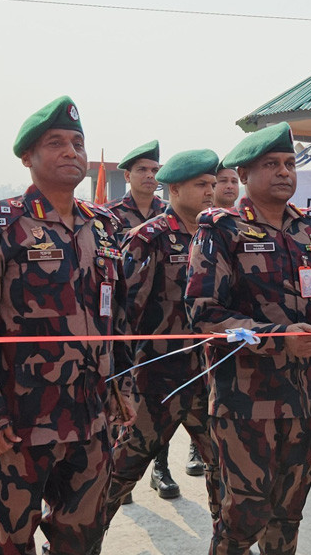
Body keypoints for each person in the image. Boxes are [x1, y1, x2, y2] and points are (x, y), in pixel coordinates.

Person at [0, 95, 135, 555]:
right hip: (21, 421)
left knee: (82, 538)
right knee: (9, 541)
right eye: (56, 143)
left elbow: (120, 318)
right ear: (27, 157)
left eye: (78, 143)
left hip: (92, 417)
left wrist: (125, 388)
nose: (71, 151)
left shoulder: (105, 226)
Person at [185, 122, 311, 555]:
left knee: (288, 515)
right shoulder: (221, 230)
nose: (284, 172)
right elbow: (204, 313)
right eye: (271, 164)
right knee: (243, 517)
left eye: (289, 164)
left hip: (303, 400)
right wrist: (279, 338)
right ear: (243, 175)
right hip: (244, 403)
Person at [103, 149, 223, 530]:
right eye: (201, 185)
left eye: (212, 184)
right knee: (117, 473)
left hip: (208, 380)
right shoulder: (148, 239)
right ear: (174, 189)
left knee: (226, 470)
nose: (210, 191)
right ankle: (76, 540)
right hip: (155, 382)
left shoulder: (218, 237)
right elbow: (123, 318)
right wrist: (119, 385)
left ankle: (229, 540)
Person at [105, 140, 195, 494]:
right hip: (132, 325)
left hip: (170, 326)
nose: (149, 175)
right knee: (131, 411)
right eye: (141, 169)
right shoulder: (111, 216)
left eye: (155, 170)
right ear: (127, 176)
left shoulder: (172, 211)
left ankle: (161, 469)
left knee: (165, 410)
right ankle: (117, 477)